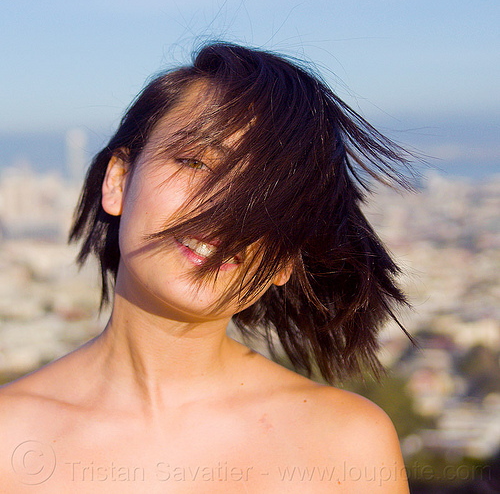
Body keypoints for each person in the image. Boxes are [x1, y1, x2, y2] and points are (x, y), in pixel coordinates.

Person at [0, 42, 413, 492]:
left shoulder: (347, 446)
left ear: (288, 259)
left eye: (267, 198)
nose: (223, 211)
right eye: (195, 161)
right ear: (118, 181)